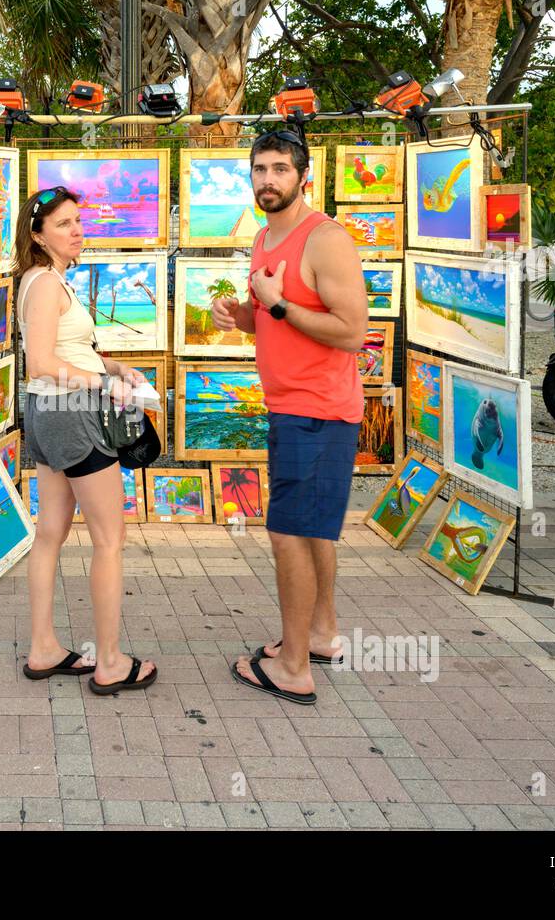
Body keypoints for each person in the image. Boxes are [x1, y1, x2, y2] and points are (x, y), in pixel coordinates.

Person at [212, 131, 367, 706]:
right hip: (291, 408)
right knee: (314, 530)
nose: (267, 179)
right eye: (259, 169)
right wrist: (244, 315)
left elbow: (352, 333)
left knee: (287, 535)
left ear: (304, 175)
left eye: (279, 168)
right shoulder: (264, 236)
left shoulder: (326, 240)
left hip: (318, 412)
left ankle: (295, 668)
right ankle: (320, 635)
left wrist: (275, 303)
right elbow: (277, 319)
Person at [16, 186, 158, 695]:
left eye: (78, 221)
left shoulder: (46, 281)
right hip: (71, 413)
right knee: (109, 540)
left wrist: (115, 365)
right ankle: (111, 661)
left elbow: (64, 349)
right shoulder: (48, 285)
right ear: (38, 235)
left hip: (48, 413)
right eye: (63, 224)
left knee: (50, 533)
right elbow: (42, 363)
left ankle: (44, 647)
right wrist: (106, 383)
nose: (77, 230)